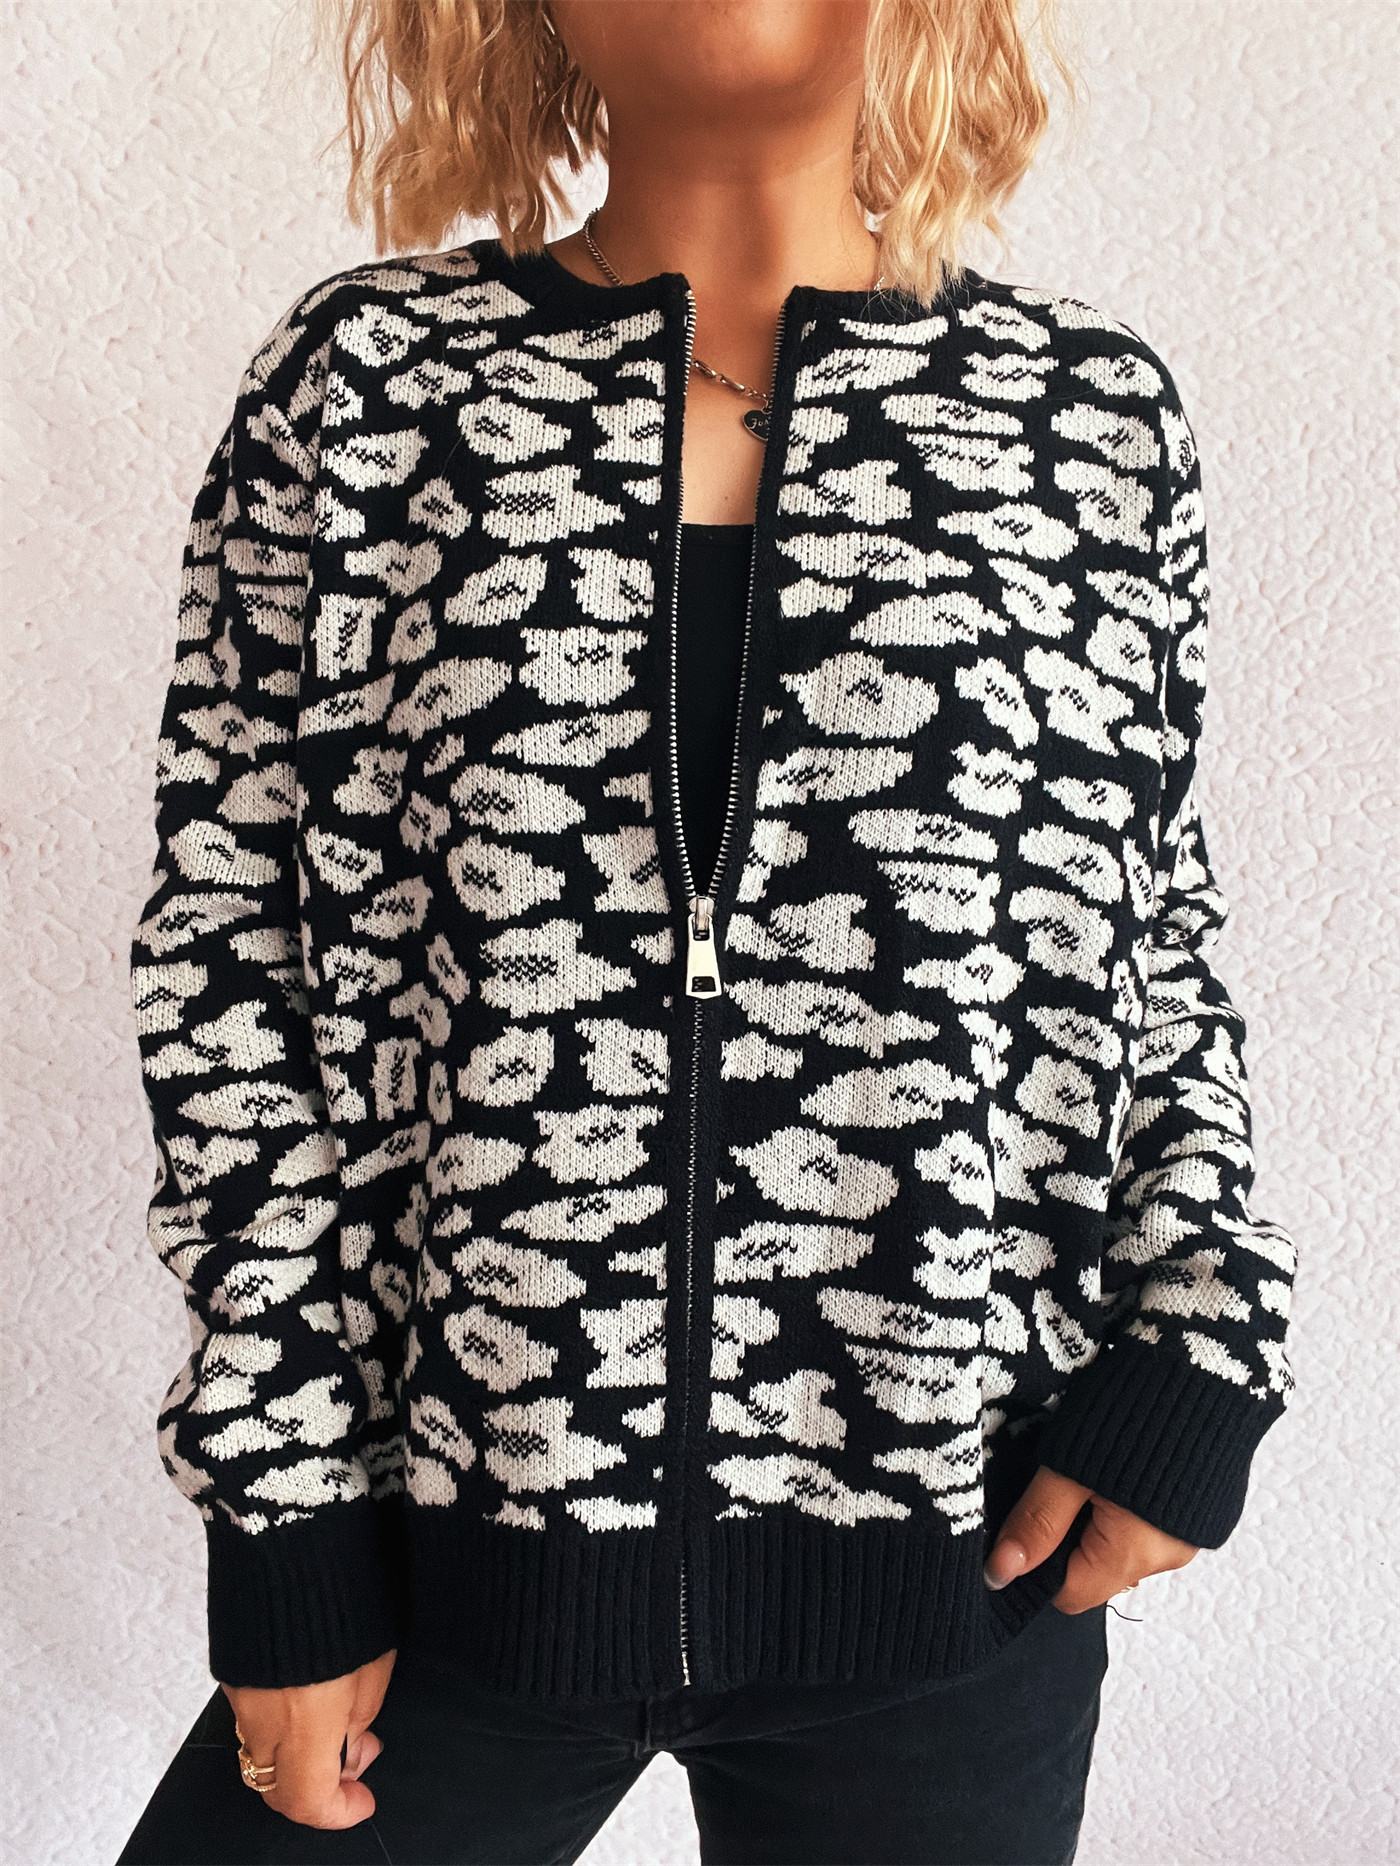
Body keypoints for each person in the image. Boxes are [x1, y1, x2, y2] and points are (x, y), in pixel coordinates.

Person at [118, 2, 1297, 1861]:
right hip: (447, 1565)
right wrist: (282, 1512)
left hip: (959, 1572)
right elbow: (231, 961)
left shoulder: (1084, 418)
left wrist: (1199, 1344)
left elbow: (1145, 930)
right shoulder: (368, 394)